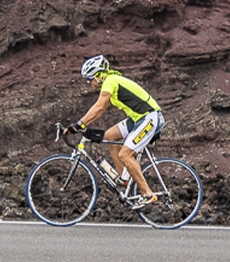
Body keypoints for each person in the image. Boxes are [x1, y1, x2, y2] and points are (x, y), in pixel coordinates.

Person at [64, 55, 165, 209]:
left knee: (125, 154)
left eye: (90, 78)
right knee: (109, 136)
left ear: (99, 75)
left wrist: (78, 125)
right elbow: (100, 111)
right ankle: (123, 178)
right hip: (139, 119)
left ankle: (148, 194)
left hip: (150, 117)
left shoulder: (110, 81)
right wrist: (81, 126)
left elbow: (98, 107)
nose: (89, 82)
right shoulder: (110, 82)